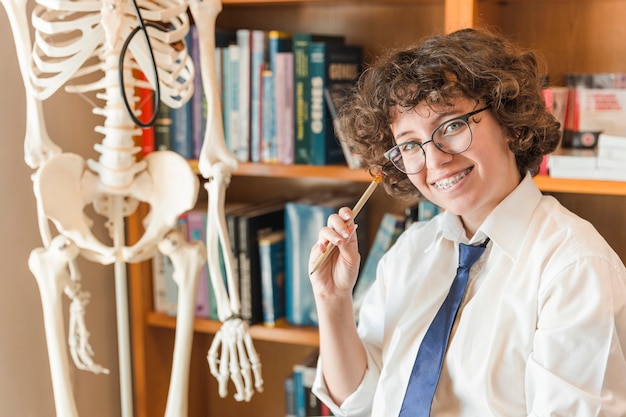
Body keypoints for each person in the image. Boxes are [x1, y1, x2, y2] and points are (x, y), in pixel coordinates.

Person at [308, 28, 626, 417]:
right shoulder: (411, 250)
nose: (435, 160)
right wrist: (332, 300)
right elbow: (359, 404)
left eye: (453, 125)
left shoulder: (575, 267)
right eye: (410, 144)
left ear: (510, 122)